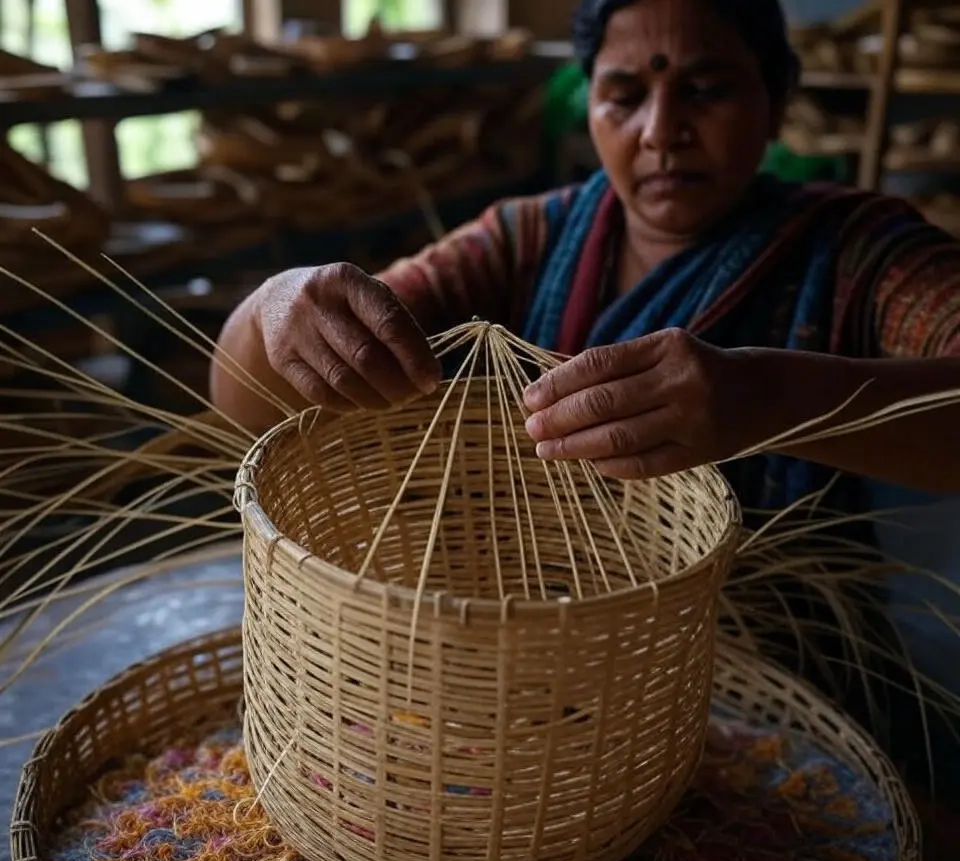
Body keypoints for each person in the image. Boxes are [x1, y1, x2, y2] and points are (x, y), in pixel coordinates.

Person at [212, 0, 960, 790]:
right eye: (625, 95)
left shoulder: (859, 250)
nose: (660, 129)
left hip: (780, 700)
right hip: (528, 692)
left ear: (775, 99)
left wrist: (776, 397)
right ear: (591, 103)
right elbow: (246, 402)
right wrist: (275, 310)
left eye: (706, 90)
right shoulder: (524, 241)